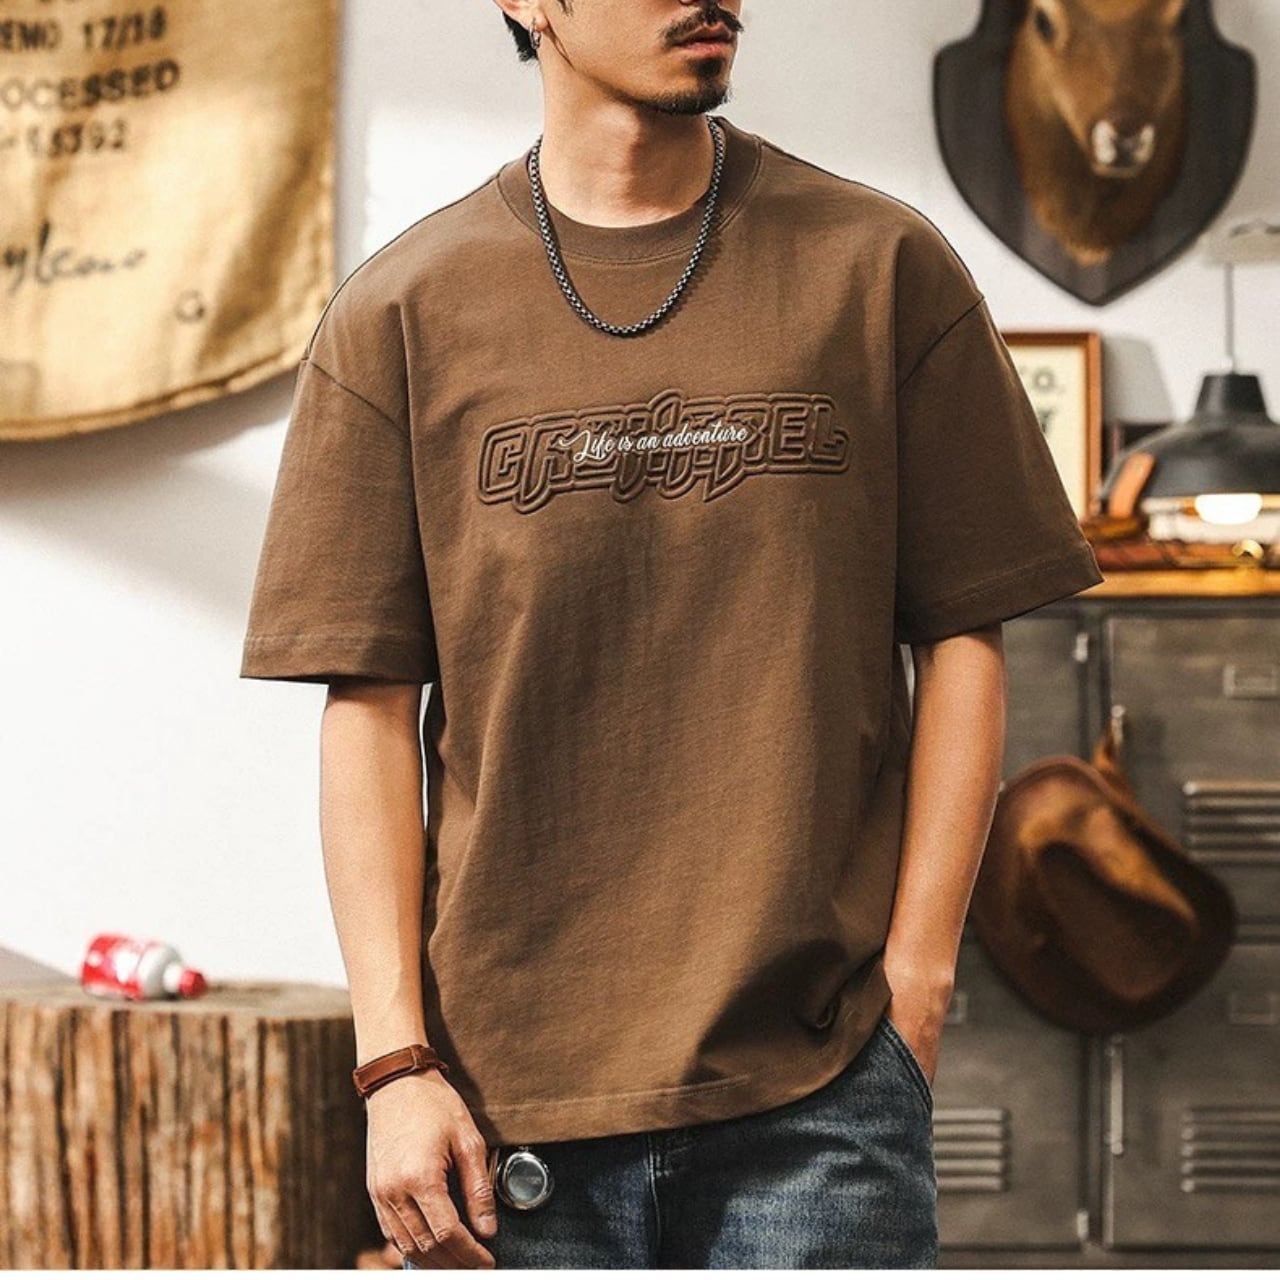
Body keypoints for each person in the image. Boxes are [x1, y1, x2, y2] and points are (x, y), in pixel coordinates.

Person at [240, 0, 1105, 1269]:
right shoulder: (402, 313)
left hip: (820, 1093)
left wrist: (915, 990)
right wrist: (394, 1063)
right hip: (505, 1107)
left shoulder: (878, 267)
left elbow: (965, 637)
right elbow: (365, 709)